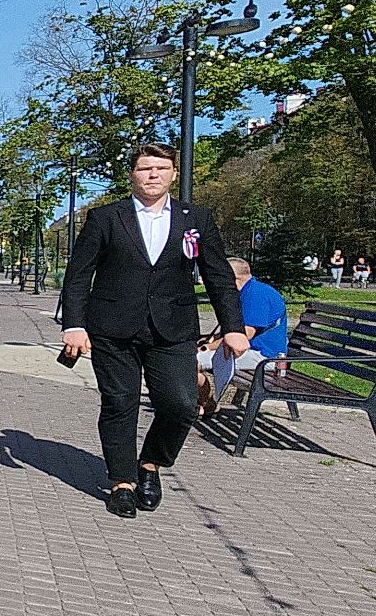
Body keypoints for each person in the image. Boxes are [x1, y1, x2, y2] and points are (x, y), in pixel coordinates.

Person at [59, 142, 243, 520]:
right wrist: (74, 325)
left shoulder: (197, 219)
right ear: (133, 174)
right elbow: (78, 275)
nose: (153, 175)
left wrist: (233, 328)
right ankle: (122, 482)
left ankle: (151, 463)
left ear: (173, 173)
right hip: (113, 328)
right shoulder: (107, 217)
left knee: (180, 404)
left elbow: (219, 277)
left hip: (172, 328)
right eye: (145, 168)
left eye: (161, 168)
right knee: (120, 403)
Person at [196, 257, 289, 415]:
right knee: (187, 358)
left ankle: (208, 404)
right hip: (251, 352)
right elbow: (232, 331)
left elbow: (243, 336)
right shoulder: (248, 291)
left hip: (264, 357)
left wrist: (204, 348)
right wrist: (207, 341)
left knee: (190, 361)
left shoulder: (257, 294)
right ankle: (207, 403)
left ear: (233, 278)